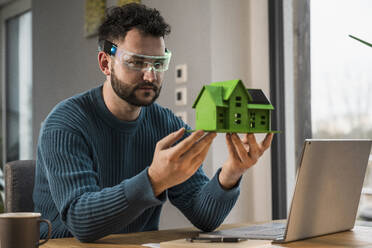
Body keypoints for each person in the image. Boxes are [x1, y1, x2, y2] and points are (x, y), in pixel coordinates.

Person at [33, 3, 273, 242]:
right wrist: (154, 179)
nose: (151, 75)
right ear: (106, 63)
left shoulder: (167, 125)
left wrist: (231, 174)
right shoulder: (65, 124)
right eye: (136, 62)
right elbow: (81, 221)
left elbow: (204, 217)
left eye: (158, 63)